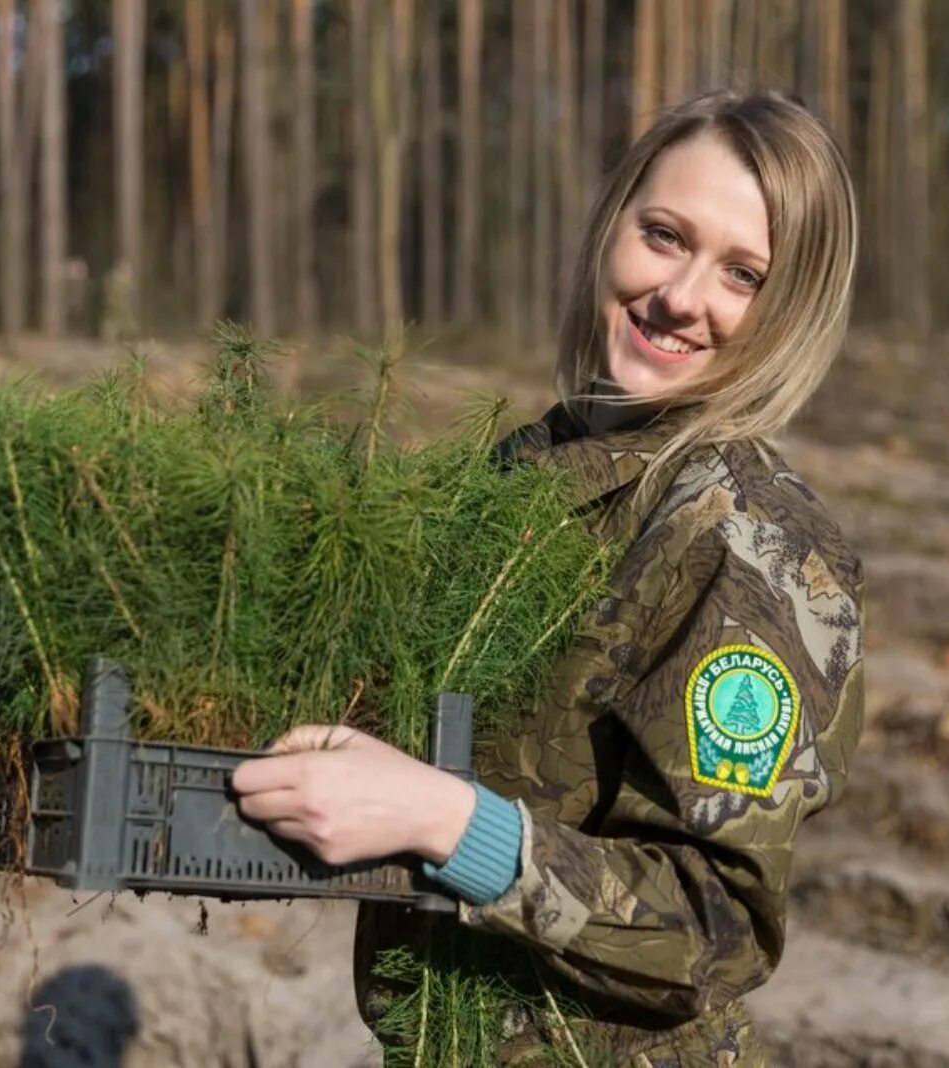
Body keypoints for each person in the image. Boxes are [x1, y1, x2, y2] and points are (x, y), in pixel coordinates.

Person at [231, 90, 863, 1066]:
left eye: (743, 274)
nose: (682, 297)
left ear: (790, 310)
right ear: (611, 223)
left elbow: (716, 926)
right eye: (664, 235)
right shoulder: (519, 472)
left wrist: (445, 822)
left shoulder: (747, 540)